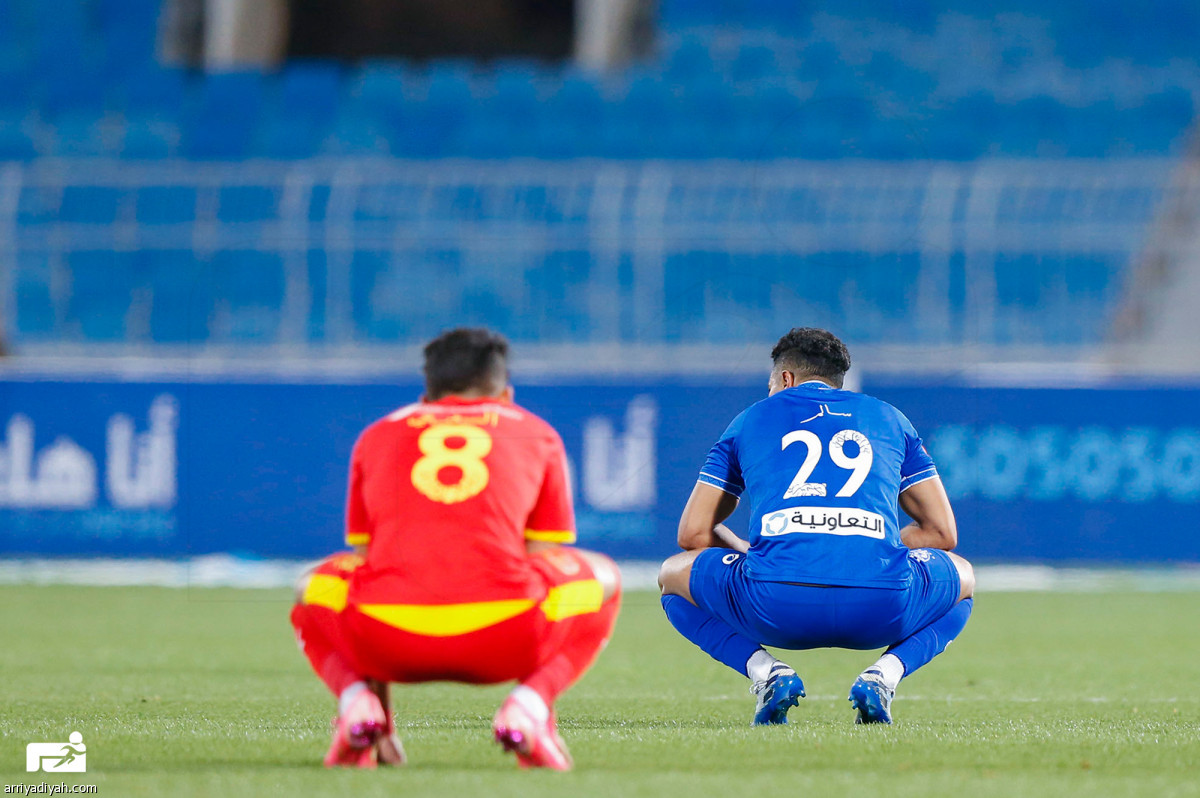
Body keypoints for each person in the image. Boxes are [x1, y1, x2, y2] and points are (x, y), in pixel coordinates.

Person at [290, 328, 621, 769]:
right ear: (506, 392)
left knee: (310, 586)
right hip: (506, 638)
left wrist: (383, 720)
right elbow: (543, 562)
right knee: (605, 579)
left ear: (426, 397)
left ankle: (358, 706)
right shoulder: (538, 434)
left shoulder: (377, 435)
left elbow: (370, 564)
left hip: (388, 640)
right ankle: (529, 707)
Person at [658, 327, 974, 725]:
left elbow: (692, 535)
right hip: (879, 609)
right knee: (963, 579)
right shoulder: (890, 418)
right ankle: (883, 676)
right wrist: (864, 542)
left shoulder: (750, 419)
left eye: (771, 382)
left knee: (672, 576)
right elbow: (942, 533)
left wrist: (752, 550)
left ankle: (767, 673)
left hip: (775, 605)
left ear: (785, 379)